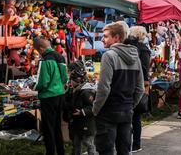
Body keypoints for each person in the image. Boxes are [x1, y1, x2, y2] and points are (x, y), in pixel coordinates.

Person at [93, 22, 144, 155]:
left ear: (116, 38)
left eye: (105, 36)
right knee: (124, 150)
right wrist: (130, 105)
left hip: (108, 112)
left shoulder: (109, 56)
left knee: (106, 150)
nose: (102, 39)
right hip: (126, 111)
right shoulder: (135, 57)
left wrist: (95, 109)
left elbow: (103, 88)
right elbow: (140, 88)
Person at [33, 37, 68, 155]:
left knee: (48, 128)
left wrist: (34, 88)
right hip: (60, 95)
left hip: (48, 97)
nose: (39, 54)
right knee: (57, 125)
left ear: (41, 48)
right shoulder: (60, 57)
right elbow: (65, 78)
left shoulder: (45, 60)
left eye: (38, 51)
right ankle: (61, 151)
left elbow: (43, 82)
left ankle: (50, 152)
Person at [124, 26, 151, 153]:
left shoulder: (130, 47)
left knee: (132, 115)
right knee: (135, 116)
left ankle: (132, 142)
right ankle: (135, 143)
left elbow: (144, 68)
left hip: (131, 82)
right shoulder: (142, 49)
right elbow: (145, 68)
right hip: (137, 82)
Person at [64, 61, 97, 155]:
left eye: (71, 80)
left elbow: (93, 106)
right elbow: (69, 102)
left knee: (88, 143)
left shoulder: (86, 91)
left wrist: (82, 112)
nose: (70, 82)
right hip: (76, 123)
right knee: (75, 142)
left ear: (78, 80)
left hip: (87, 123)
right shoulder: (74, 90)